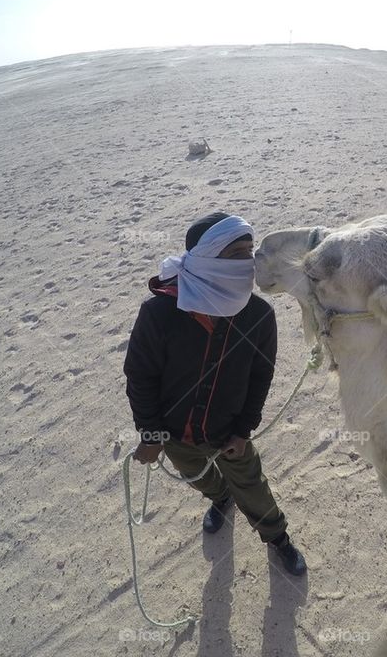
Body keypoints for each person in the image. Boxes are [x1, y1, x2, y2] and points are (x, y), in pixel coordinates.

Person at [123, 212, 306, 576]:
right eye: (235, 254)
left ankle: (277, 537)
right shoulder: (160, 312)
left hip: (229, 434)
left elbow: (260, 377)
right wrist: (152, 435)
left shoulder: (258, 316)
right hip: (175, 437)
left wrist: (243, 430)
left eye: (249, 252)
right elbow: (140, 377)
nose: (247, 264)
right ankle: (220, 498)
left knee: (252, 487)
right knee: (198, 477)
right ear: (205, 259)